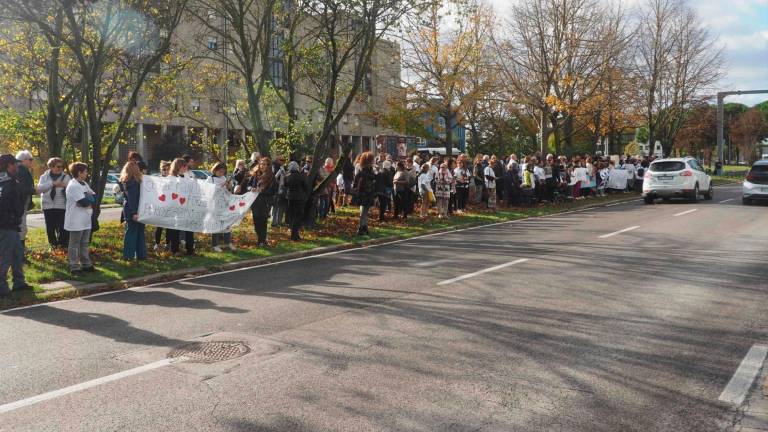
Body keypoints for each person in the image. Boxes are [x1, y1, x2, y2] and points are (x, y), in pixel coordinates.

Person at [0, 154, 30, 296]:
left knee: (17, 252)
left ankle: (19, 282)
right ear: (8, 165)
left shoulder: (9, 180)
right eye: (14, 164)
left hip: (10, 223)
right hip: (6, 225)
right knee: (5, 256)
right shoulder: (7, 181)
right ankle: (1, 287)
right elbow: (5, 202)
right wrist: (11, 217)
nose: (17, 167)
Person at [65, 162, 96, 275]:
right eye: (85, 171)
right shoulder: (73, 185)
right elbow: (83, 202)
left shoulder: (84, 184)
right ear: (79, 173)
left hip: (85, 219)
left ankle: (86, 264)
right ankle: (74, 266)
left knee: (84, 243)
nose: (87, 173)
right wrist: (88, 199)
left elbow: (94, 197)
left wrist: (89, 199)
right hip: (76, 220)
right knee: (74, 244)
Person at [36, 157, 71, 250]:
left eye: (61, 166)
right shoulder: (44, 177)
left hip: (61, 205)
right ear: (51, 167)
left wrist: (65, 185)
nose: (60, 168)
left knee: (62, 227)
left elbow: (71, 189)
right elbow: (39, 189)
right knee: (50, 228)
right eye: (58, 166)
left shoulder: (66, 177)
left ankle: (62, 245)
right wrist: (53, 184)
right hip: (47, 205)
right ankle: (53, 245)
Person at [119, 161, 147, 261]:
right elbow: (133, 198)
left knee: (135, 232)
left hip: (131, 209)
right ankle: (132, 255)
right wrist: (134, 212)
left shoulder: (126, 181)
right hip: (134, 210)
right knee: (135, 232)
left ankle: (137, 255)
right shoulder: (133, 182)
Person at [167, 158, 195, 255]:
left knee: (189, 229)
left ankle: (190, 250)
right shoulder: (171, 178)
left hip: (187, 206)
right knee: (175, 229)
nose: (185, 168)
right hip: (176, 207)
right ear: (177, 166)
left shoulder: (188, 176)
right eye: (183, 166)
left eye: (186, 166)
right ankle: (175, 250)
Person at [248, 157, 276, 246]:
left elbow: (273, 190)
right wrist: (251, 188)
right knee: (256, 220)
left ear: (268, 166)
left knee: (263, 221)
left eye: (264, 164)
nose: (262, 166)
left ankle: (261, 240)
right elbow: (248, 185)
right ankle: (262, 239)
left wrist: (262, 191)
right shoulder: (255, 174)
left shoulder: (271, 176)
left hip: (265, 201)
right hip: (255, 201)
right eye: (261, 164)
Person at [208, 162, 236, 252]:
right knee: (215, 225)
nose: (221, 173)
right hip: (215, 205)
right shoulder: (210, 179)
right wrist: (221, 186)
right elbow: (208, 191)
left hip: (224, 204)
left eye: (223, 171)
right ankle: (215, 245)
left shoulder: (224, 178)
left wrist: (229, 186)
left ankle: (228, 243)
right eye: (220, 171)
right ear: (215, 170)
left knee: (226, 224)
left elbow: (229, 190)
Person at [14, 150, 35, 256]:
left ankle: (21, 251)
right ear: (23, 160)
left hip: (20, 203)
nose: (32, 162)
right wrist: (34, 190)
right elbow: (22, 188)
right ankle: (20, 254)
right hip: (20, 203)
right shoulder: (21, 170)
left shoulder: (20, 169)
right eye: (30, 159)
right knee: (22, 228)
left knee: (21, 227)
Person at [352, 152, 376, 235]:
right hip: (364, 194)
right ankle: (362, 227)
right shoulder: (365, 173)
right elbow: (356, 184)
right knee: (363, 212)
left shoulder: (367, 172)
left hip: (366, 194)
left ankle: (363, 227)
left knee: (364, 212)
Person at [284, 161, 308, 241]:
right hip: (299, 198)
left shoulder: (287, 175)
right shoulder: (301, 176)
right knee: (297, 216)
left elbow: (285, 185)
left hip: (289, 197)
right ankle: (294, 235)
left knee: (291, 216)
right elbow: (306, 187)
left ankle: (294, 233)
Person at [153, 160, 171, 251]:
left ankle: (168, 243)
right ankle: (157, 243)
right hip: (160, 206)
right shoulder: (157, 180)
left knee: (168, 226)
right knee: (159, 226)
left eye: (167, 169)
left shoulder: (173, 180)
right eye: (164, 169)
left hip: (169, 206)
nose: (165, 171)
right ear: (161, 170)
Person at [272, 156, 288, 227]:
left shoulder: (283, 168)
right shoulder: (274, 167)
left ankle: (279, 221)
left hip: (282, 190)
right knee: (276, 206)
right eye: (281, 160)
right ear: (277, 160)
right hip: (276, 190)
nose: (283, 161)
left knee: (281, 206)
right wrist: (279, 183)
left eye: (284, 160)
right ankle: (274, 222)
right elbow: (274, 178)